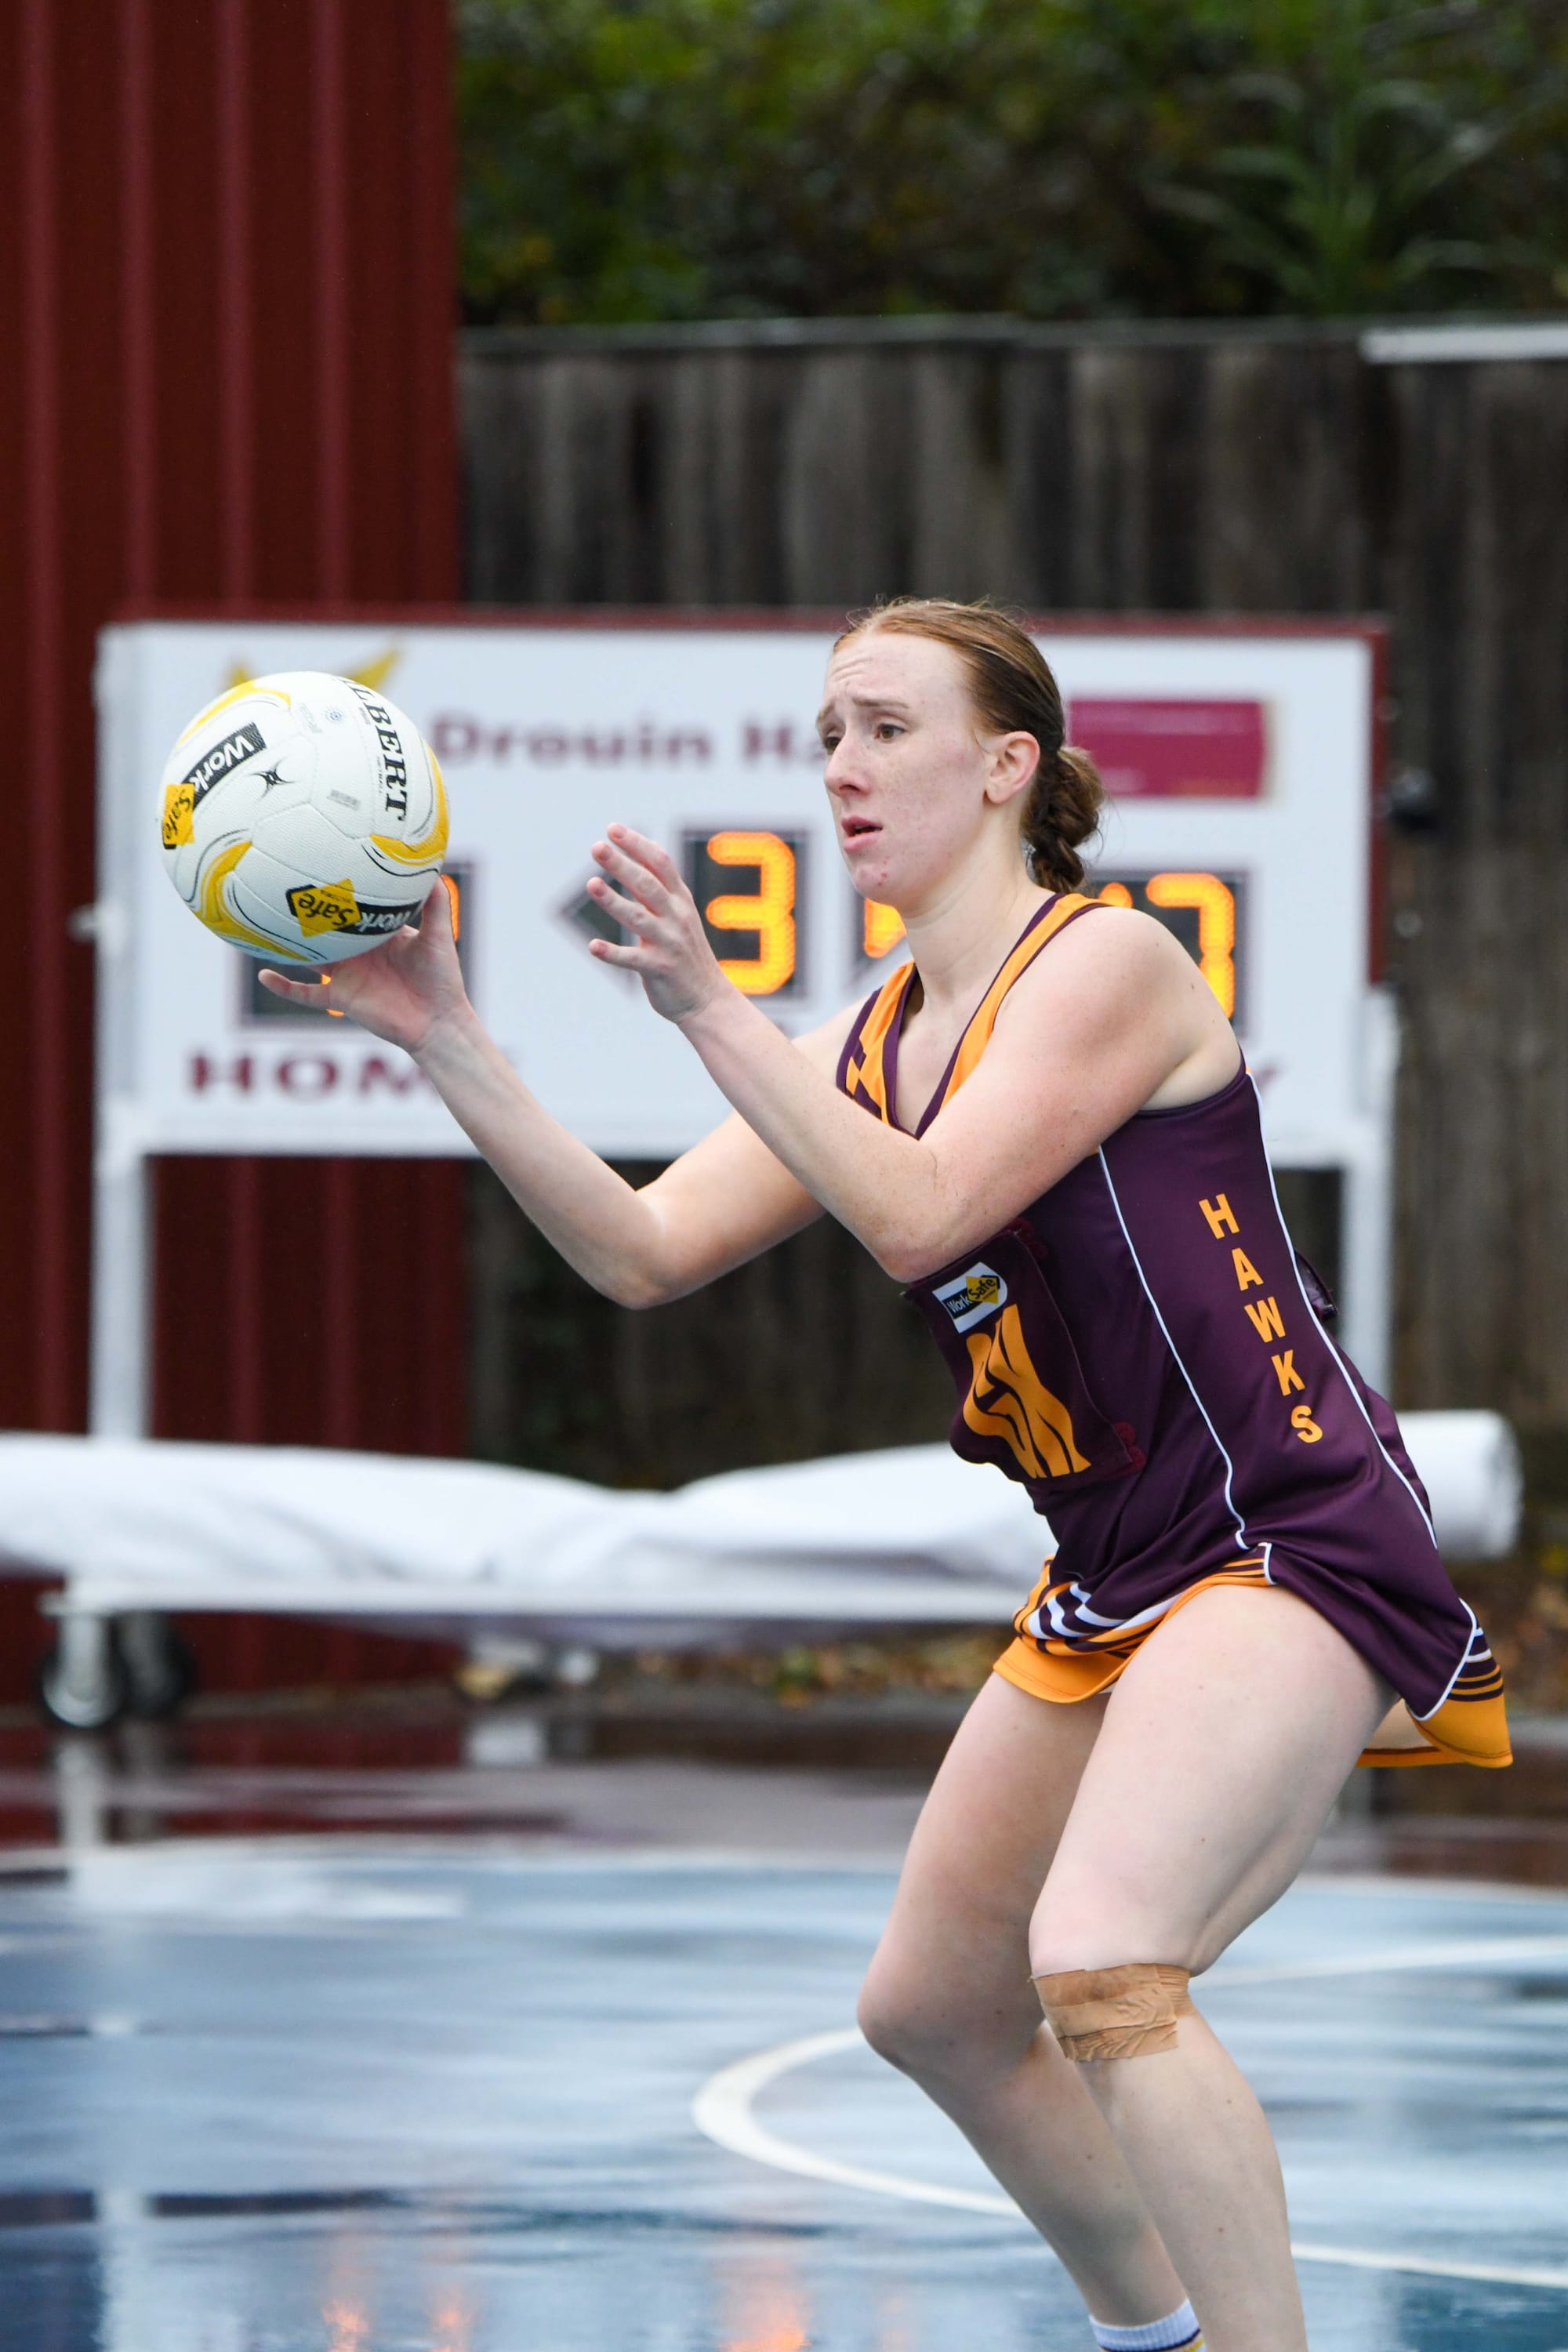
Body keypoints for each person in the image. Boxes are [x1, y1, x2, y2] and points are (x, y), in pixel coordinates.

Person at [261, 597, 1510, 2352]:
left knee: (1105, 1963)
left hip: (1280, 1531)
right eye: (826, 733)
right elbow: (638, 1251)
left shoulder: (1106, 963)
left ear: (1010, 768)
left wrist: (708, 1005)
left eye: (884, 728)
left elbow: (924, 1209)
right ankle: (1147, 2331)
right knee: (931, 2010)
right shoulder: (867, 1038)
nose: (841, 766)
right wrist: (447, 1038)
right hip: (1120, 1566)